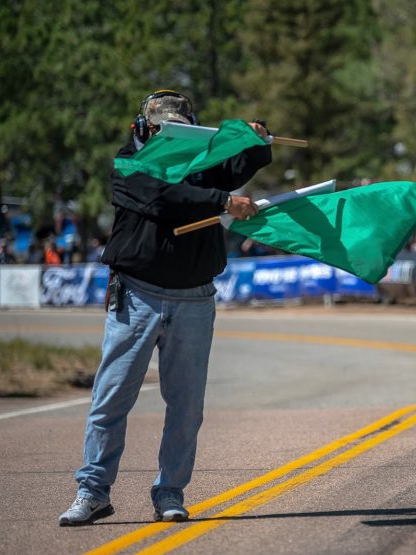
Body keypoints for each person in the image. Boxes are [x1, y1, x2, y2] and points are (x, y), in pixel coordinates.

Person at [59, 90, 271, 526]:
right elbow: (160, 196)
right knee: (111, 397)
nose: (168, 138)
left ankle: (170, 492)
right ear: (143, 128)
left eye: (179, 130)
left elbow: (234, 170)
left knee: (187, 405)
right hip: (137, 295)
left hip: (194, 297)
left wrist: (256, 142)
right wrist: (220, 201)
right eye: (161, 130)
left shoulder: (201, 161)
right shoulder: (127, 164)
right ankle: (93, 491)